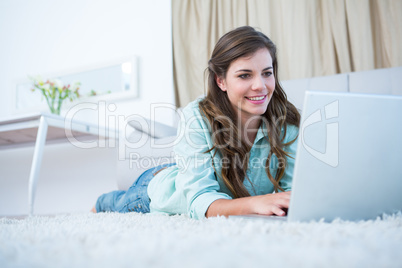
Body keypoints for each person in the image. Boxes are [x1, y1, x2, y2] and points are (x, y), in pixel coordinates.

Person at [92, 26, 300, 220]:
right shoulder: (196, 116)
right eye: (244, 75)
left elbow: (293, 192)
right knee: (116, 203)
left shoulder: (286, 120)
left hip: (191, 172)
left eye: (267, 73)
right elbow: (199, 201)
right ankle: (103, 200)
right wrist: (255, 203)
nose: (260, 86)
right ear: (221, 81)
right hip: (161, 188)